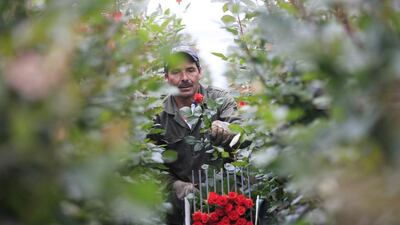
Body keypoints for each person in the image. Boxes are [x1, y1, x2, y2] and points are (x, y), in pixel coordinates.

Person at [148, 46, 241, 225]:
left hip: (224, 205)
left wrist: (227, 128)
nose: (185, 78)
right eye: (176, 72)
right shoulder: (157, 113)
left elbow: (241, 131)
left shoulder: (220, 100)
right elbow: (150, 165)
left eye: (190, 70)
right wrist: (174, 185)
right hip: (179, 210)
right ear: (166, 78)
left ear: (200, 72)